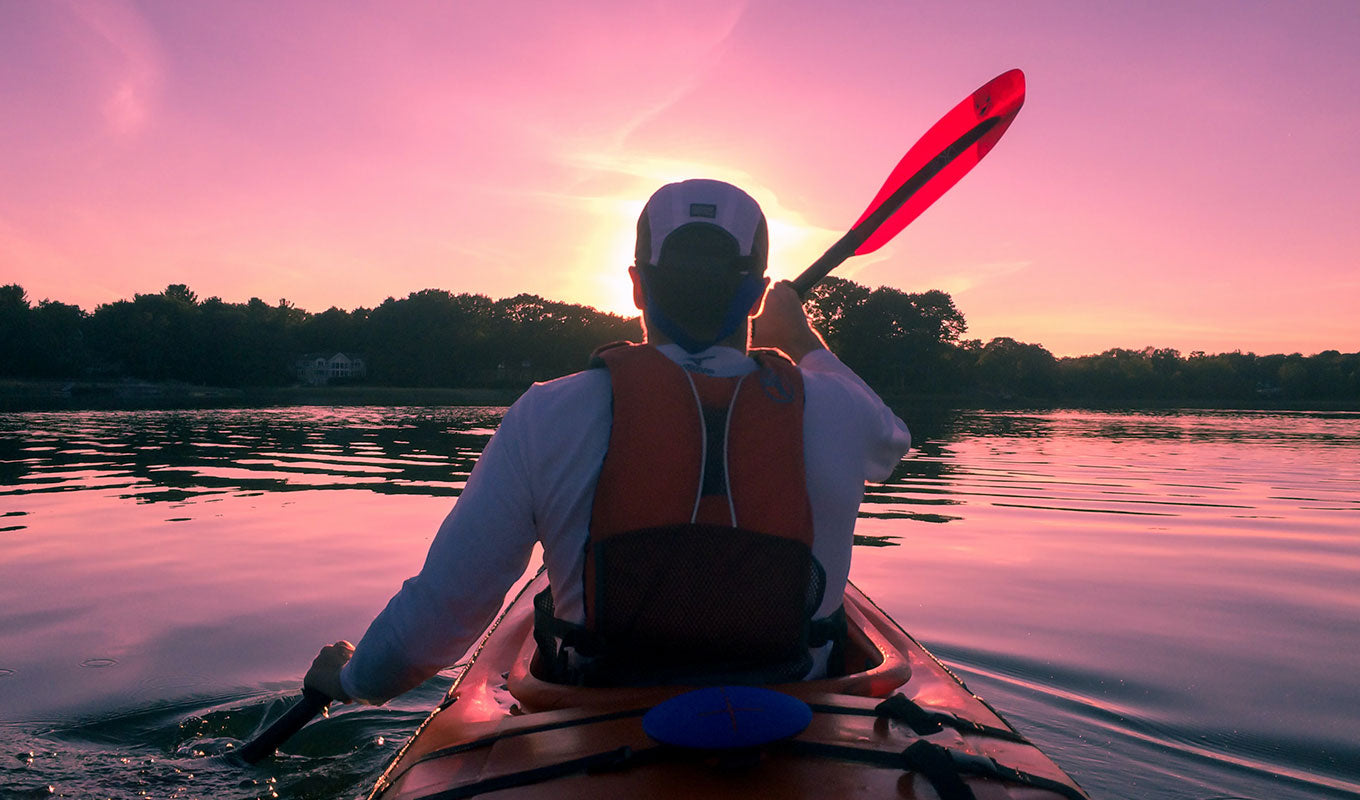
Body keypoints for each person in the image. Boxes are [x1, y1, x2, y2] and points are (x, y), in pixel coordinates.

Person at [304, 178, 911, 702]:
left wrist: (351, 680)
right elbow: (893, 443)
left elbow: (438, 619)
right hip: (798, 713)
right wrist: (802, 339)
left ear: (637, 287)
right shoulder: (837, 408)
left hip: (601, 715)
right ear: (755, 294)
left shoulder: (548, 413)